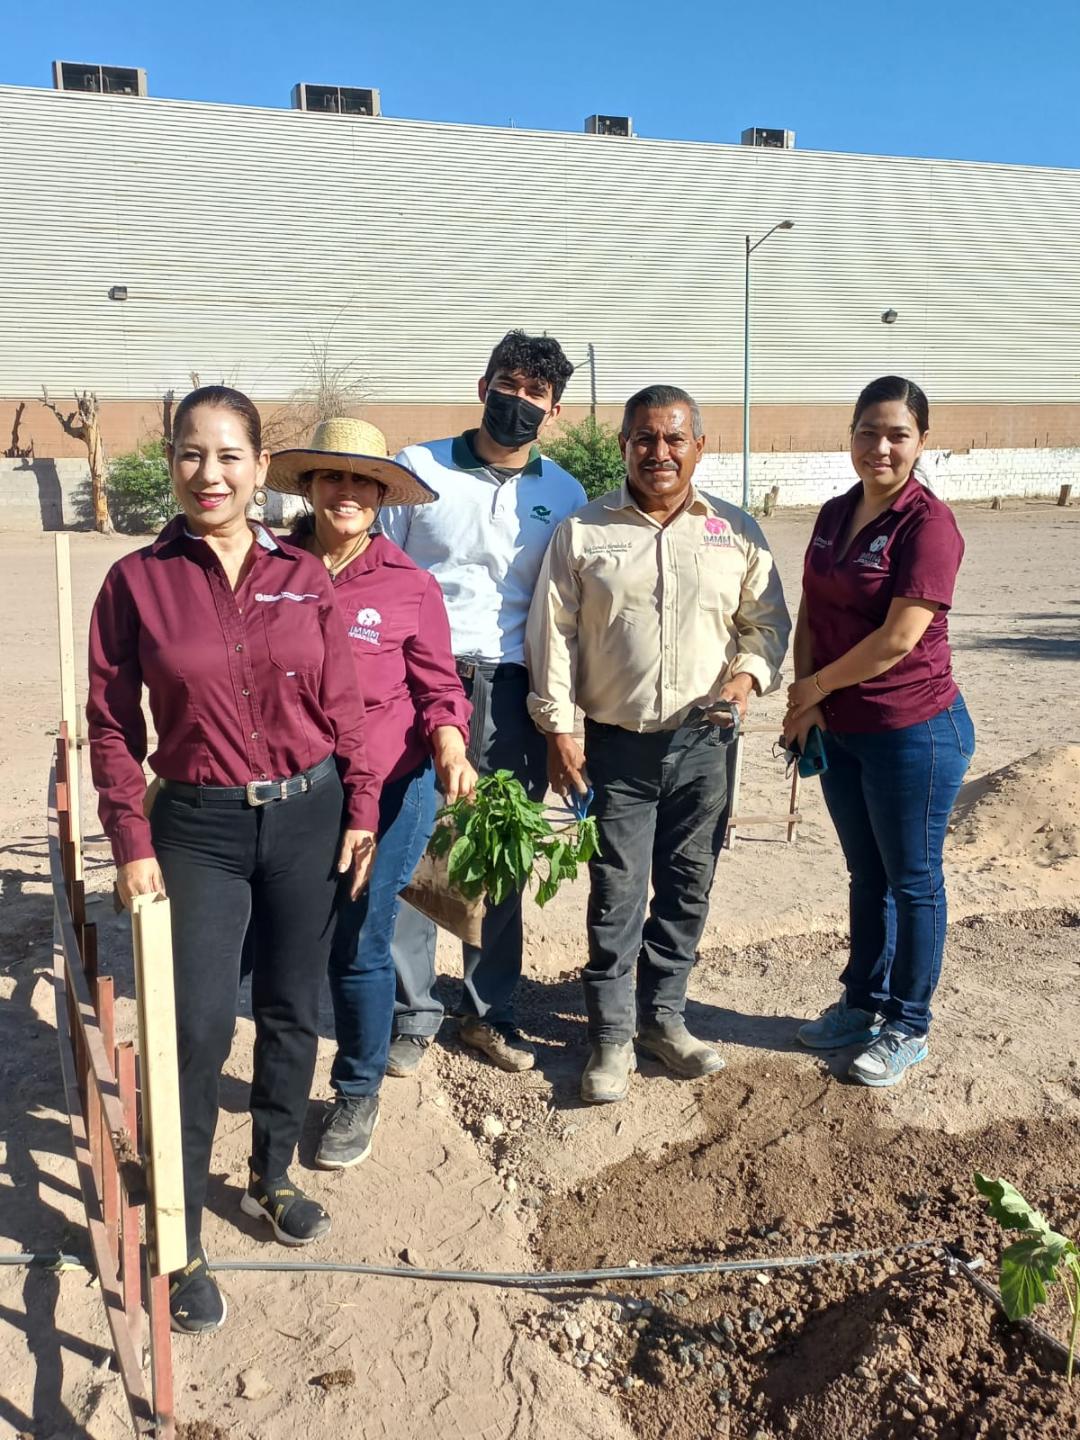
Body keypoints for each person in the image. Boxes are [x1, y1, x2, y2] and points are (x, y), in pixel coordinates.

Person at [86, 386, 379, 1335]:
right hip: (198, 831)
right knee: (198, 1027)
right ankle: (180, 1238)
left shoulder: (303, 573)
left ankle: (270, 1176)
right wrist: (130, 838)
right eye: (188, 455)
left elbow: (345, 703)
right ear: (171, 464)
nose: (207, 475)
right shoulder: (137, 582)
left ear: (260, 467)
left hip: (308, 815)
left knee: (296, 1008)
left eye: (227, 457)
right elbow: (108, 725)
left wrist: (363, 804)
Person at [526, 385, 791, 1104]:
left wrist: (744, 682)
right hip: (617, 747)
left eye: (675, 438)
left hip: (706, 745)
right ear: (624, 447)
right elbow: (551, 633)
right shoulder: (583, 531)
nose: (660, 452)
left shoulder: (735, 532)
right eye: (645, 438)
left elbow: (765, 623)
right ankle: (610, 1036)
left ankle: (663, 1020)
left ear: (699, 447)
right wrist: (559, 725)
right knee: (616, 896)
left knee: (685, 887)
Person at [264, 417, 476, 1170]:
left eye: (362, 480)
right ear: (311, 488)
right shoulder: (270, 570)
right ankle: (280, 1083)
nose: (346, 491)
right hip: (293, 788)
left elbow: (439, 687)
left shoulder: (409, 585)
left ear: (382, 495)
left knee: (359, 934)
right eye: (332, 477)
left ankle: (357, 1091)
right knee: (291, 937)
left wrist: (450, 742)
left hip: (392, 786)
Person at [379, 330, 586, 1076]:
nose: (518, 402)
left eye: (536, 394)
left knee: (497, 848)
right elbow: (379, 573)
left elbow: (566, 605)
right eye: (509, 384)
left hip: (510, 687)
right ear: (482, 385)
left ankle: (489, 1009)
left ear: (553, 409)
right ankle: (412, 1013)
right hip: (416, 682)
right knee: (412, 843)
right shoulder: (419, 468)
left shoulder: (564, 495)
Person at [784, 375, 975, 1087]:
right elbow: (813, 612)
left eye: (898, 433)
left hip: (913, 730)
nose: (881, 446)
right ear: (852, 434)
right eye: (869, 430)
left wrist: (816, 687)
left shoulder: (929, 525)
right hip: (841, 728)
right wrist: (804, 703)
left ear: (922, 442)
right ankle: (861, 1003)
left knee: (915, 879)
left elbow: (898, 638)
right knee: (868, 874)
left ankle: (909, 1025)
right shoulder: (834, 514)